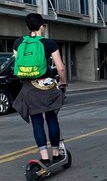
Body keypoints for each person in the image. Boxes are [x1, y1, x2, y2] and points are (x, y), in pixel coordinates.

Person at [13, 12, 68, 165]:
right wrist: (63, 83)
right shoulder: (49, 43)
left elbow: (17, 62)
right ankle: (56, 153)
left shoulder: (18, 43)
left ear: (28, 27)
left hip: (28, 86)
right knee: (51, 118)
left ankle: (44, 157)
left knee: (37, 121)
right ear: (42, 26)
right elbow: (60, 68)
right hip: (46, 85)